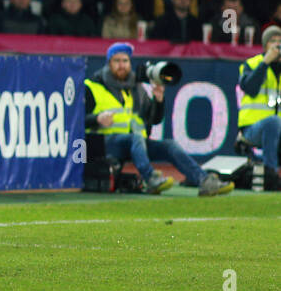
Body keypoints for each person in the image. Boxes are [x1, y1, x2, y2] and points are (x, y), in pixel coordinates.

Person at [85, 42, 234, 196]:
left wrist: (159, 99)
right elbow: (76, 120)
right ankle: (150, 178)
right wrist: (97, 119)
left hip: (135, 144)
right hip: (106, 143)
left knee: (169, 145)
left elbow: (153, 119)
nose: (121, 65)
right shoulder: (93, 86)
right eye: (116, 61)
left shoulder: (136, 87)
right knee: (135, 139)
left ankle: (204, 180)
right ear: (108, 63)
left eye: (125, 61)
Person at [237, 25, 281, 190]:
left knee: (276, 123)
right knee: (273, 122)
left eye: (280, 41)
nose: (277, 45)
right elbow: (250, 88)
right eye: (272, 41)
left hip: (278, 130)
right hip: (253, 130)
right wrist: (265, 63)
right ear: (264, 46)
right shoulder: (252, 63)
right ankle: (271, 174)